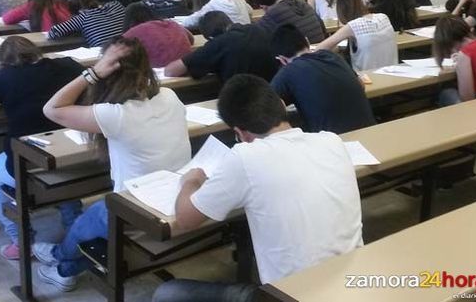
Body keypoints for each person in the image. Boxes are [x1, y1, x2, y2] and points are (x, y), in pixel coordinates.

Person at [153, 74, 363, 302]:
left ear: (240, 133)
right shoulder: (331, 141)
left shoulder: (245, 156)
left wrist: (191, 181)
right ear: (282, 106)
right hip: (353, 283)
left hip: (291, 295)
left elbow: (185, 219)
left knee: (167, 293)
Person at [34, 37, 191, 292]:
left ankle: (61, 262)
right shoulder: (169, 96)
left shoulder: (115, 114)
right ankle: (62, 260)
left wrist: (93, 73)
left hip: (138, 211)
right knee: (95, 218)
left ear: (109, 70)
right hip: (177, 197)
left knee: (90, 219)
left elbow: (51, 109)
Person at [0, 37, 85, 260]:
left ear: (3, 61)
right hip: (74, 154)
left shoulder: (3, 78)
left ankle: (20, 240)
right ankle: (75, 229)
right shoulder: (68, 65)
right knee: (62, 175)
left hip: (29, 163)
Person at [270, 25, 375, 133]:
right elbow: (361, 85)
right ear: (307, 41)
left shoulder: (287, 72)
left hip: (333, 142)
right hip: (369, 130)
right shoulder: (333, 56)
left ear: (281, 59)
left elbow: (266, 106)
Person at [165, 12, 278, 82]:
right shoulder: (258, 29)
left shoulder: (218, 43)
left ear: (210, 38)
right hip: (271, 92)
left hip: (243, 100)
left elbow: (170, 71)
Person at [317, 0, 398, 71]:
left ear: (342, 10)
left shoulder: (352, 26)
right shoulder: (383, 17)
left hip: (366, 77)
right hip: (392, 71)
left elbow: (320, 48)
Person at [251, 0, 326, 44]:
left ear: (262, 6)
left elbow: (254, 35)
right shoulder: (303, 4)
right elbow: (323, 28)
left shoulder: (272, 15)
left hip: (303, 57)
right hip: (322, 50)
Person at [122, 3, 194, 68]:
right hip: (186, 66)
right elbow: (191, 39)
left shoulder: (131, 34)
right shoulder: (171, 23)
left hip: (158, 73)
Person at [48, 0, 125, 47]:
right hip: (128, 50)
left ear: (79, 10)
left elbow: (54, 32)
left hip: (105, 56)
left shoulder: (83, 17)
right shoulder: (116, 5)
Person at [181, 0, 252, 30]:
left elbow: (189, 22)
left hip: (233, 43)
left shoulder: (212, 4)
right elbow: (250, 10)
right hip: (249, 36)